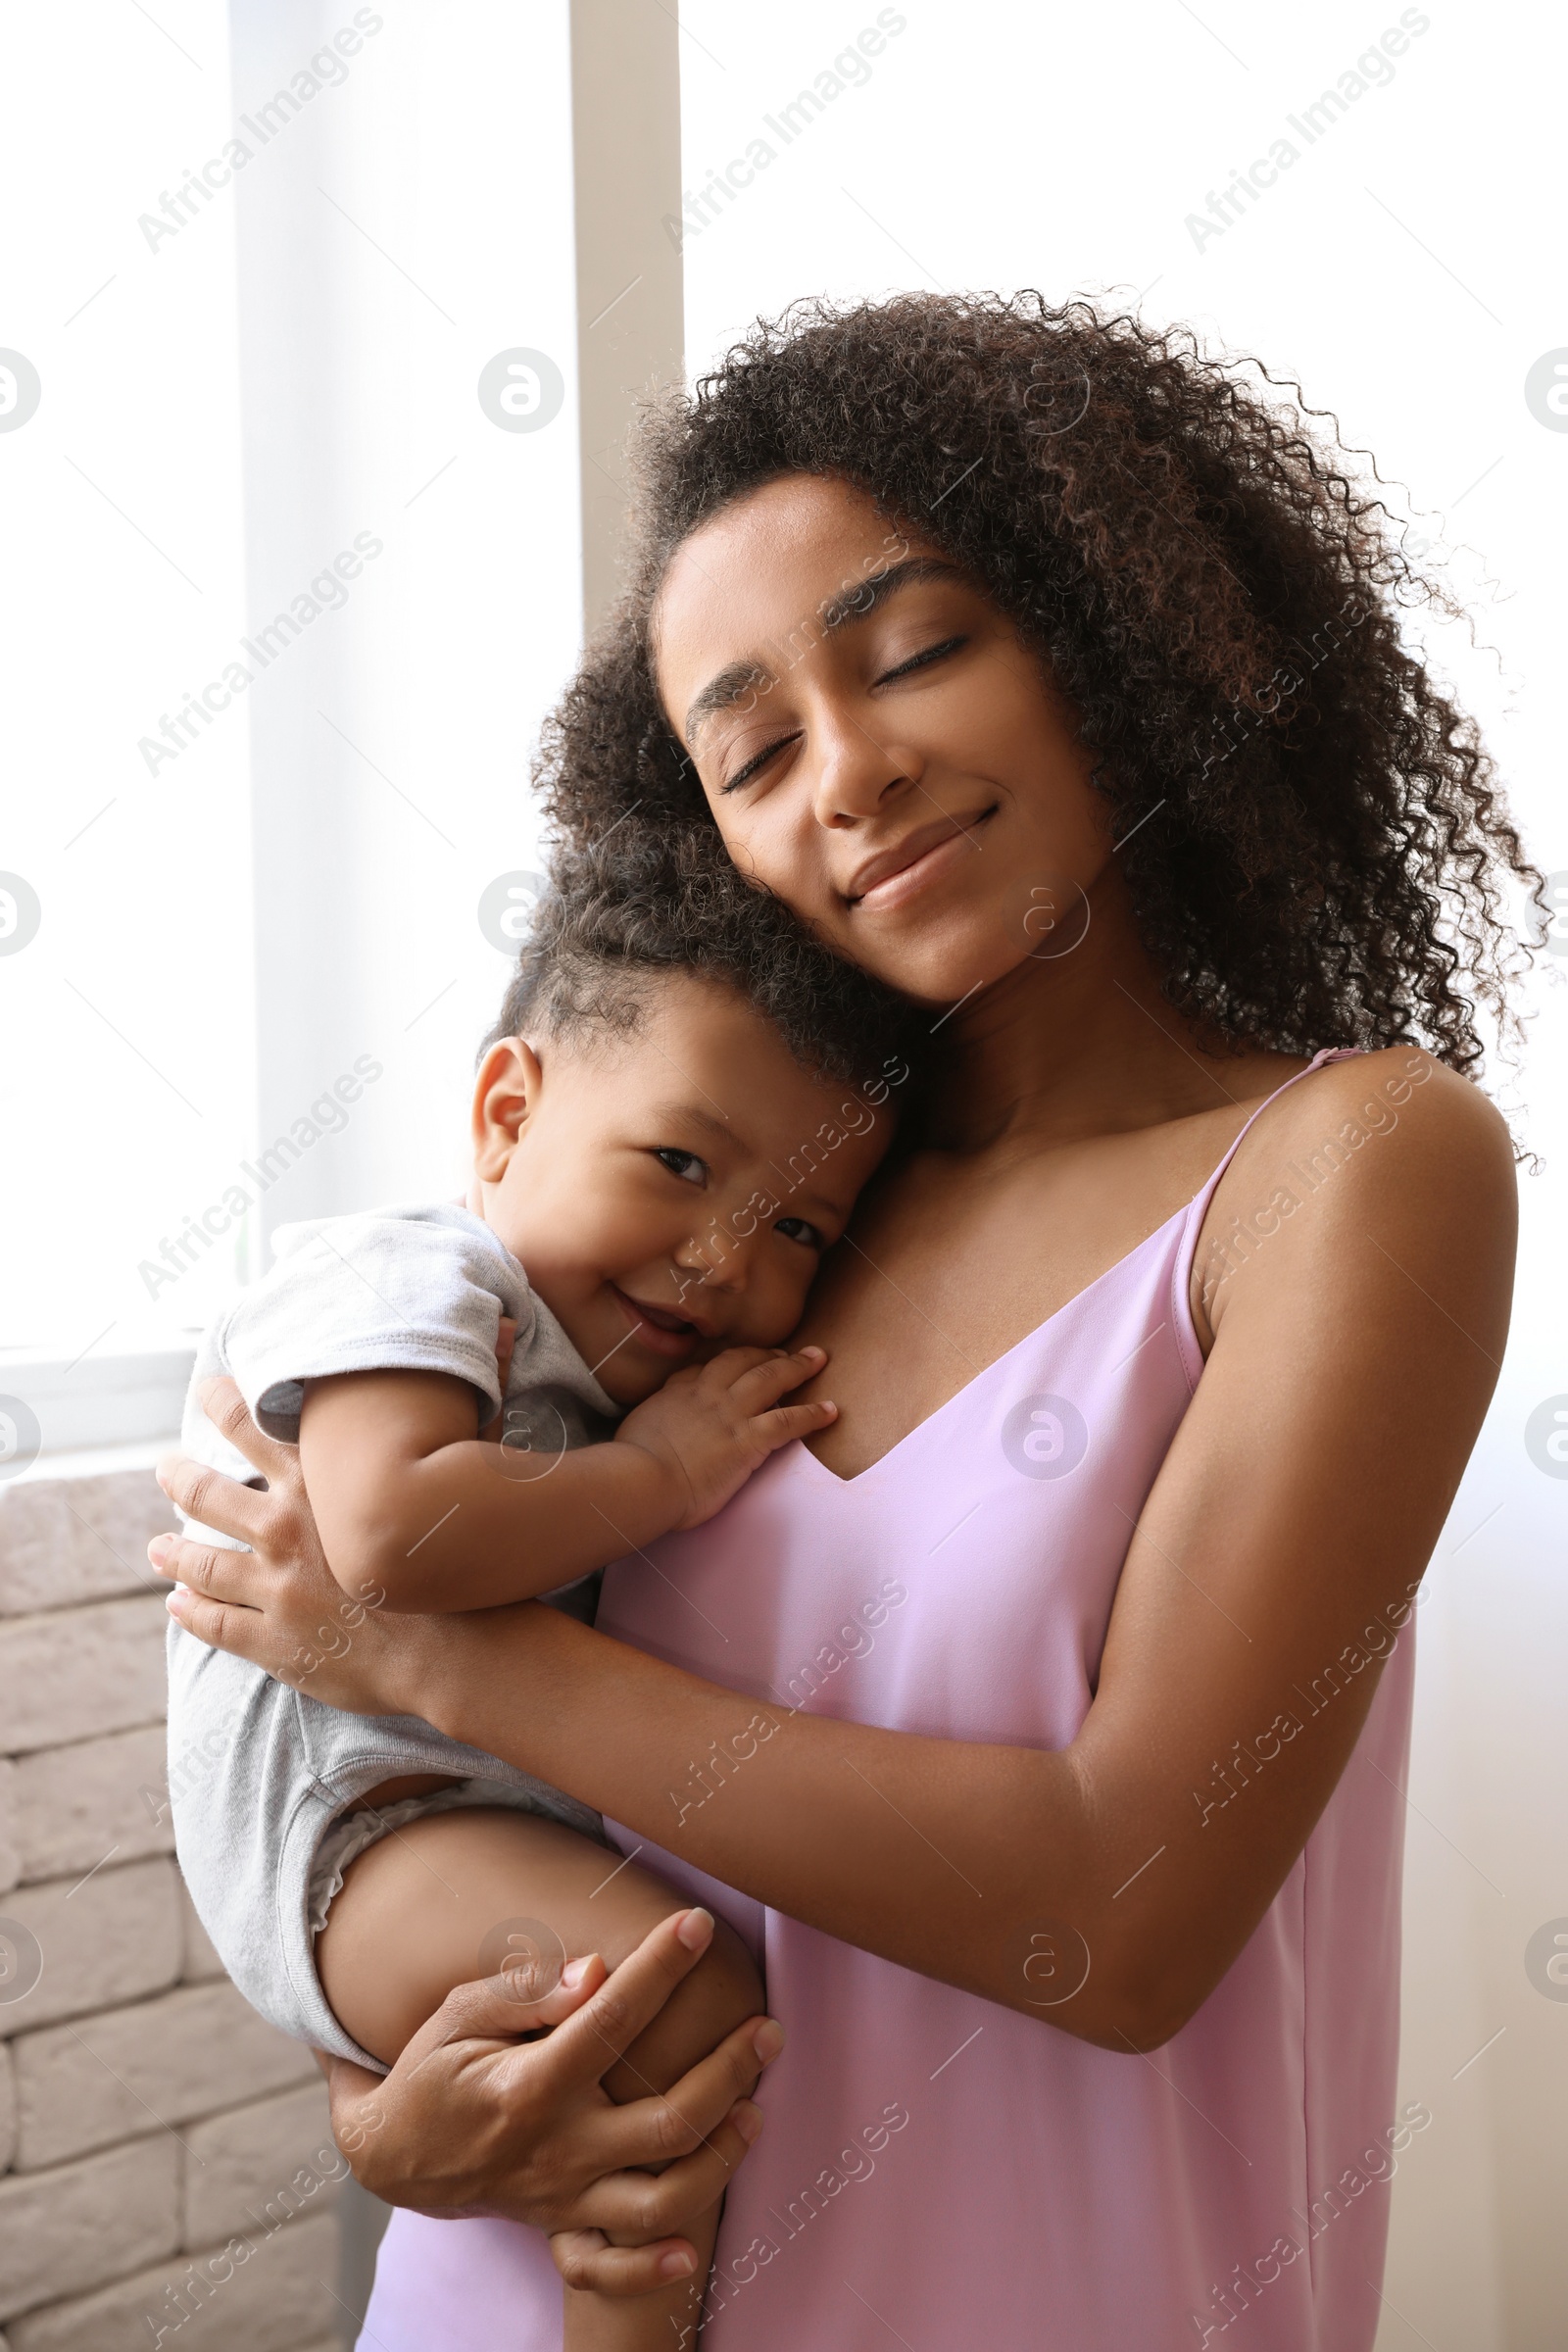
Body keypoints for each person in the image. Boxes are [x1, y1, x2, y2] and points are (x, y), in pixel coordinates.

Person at [154, 293, 1530, 2350]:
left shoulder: (1346, 1169)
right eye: (754, 748)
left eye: (911, 654)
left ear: (1105, 628)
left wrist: (433, 1644)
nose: (853, 772)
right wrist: (391, 2133)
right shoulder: (739, 1225)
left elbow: (1115, 1916)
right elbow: (423, 1821)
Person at [165, 863, 906, 2352]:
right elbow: (387, 1534)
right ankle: (617, 2297)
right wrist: (654, 1474)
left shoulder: (589, 1336)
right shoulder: (415, 1275)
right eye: (682, 1166)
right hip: (358, 1826)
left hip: (433, 1807)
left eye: (802, 1232)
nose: (722, 1258)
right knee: (677, 2006)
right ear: (507, 1113)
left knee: (666, 2019)